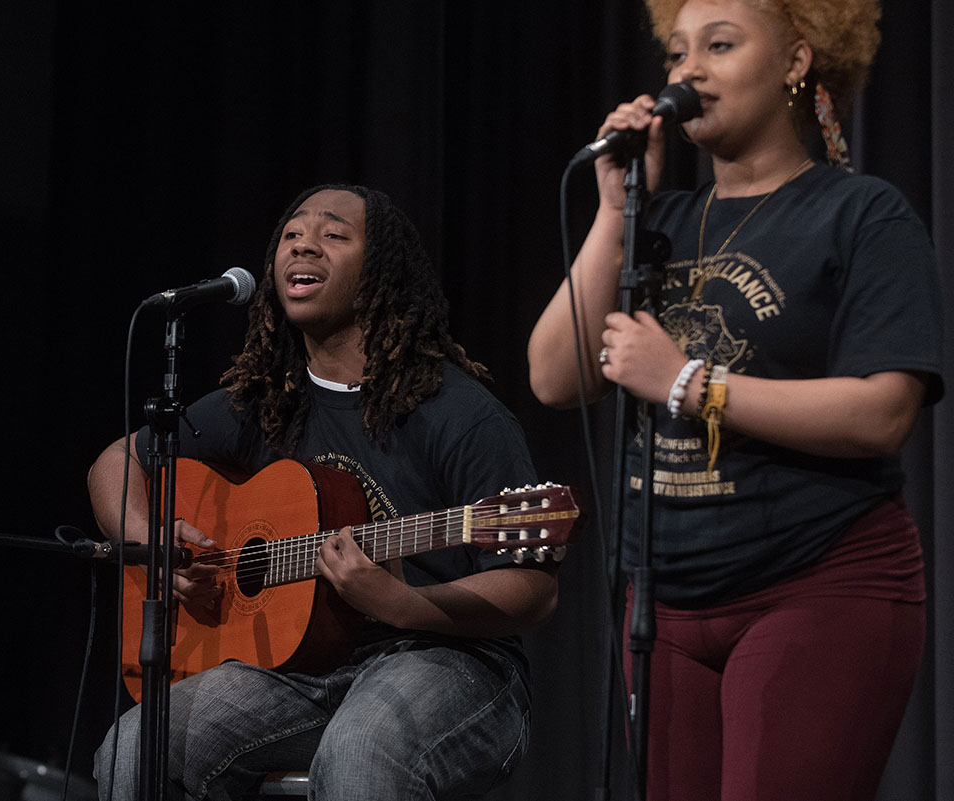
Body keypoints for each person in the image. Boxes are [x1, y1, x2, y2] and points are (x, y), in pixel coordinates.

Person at [527, 1, 942, 799]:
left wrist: (687, 381)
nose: (688, 72)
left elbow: (883, 410)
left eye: (719, 46)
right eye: (677, 54)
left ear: (796, 62)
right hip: (665, 609)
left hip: (817, 582)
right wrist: (616, 212)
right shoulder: (663, 223)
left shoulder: (860, 214)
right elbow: (553, 374)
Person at [89, 184, 560, 801]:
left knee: (360, 753)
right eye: (290, 235)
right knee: (132, 750)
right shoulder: (264, 402)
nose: (304, 243)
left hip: (452, 659)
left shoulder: (461, 414)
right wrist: (151, 541)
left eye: (334, 235)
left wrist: (398, 603)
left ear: (380, 272)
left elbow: (532, 589)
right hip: (301, 670)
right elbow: (116, 460)